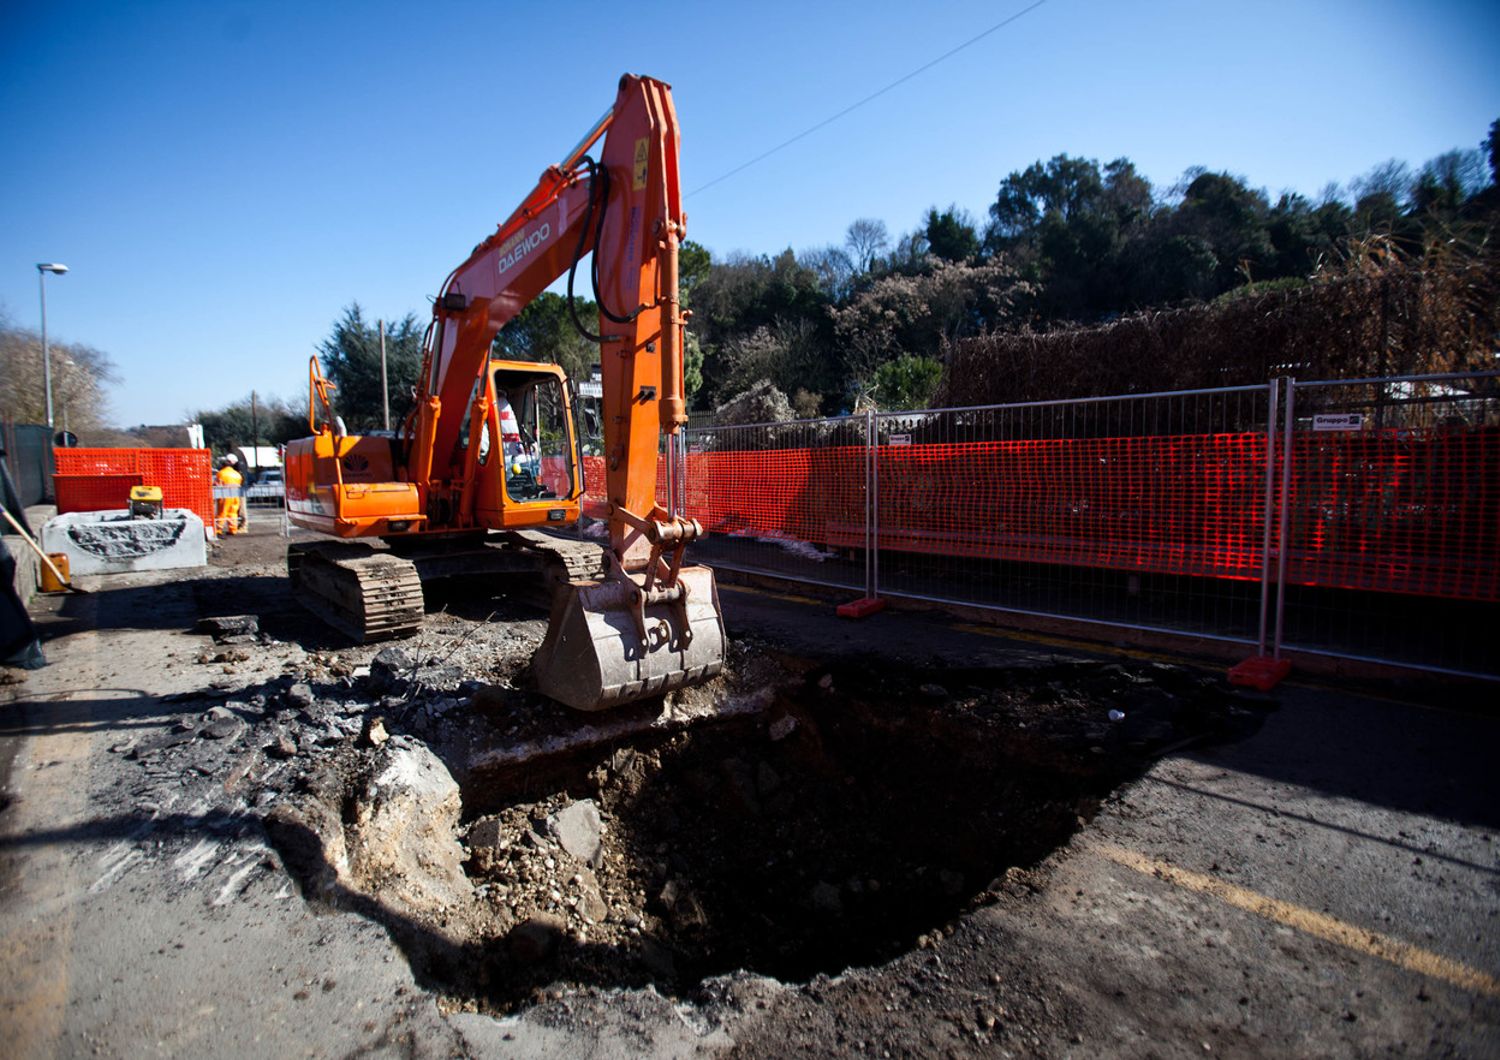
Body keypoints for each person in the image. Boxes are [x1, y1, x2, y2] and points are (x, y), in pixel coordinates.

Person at [215, 454, 245, 536]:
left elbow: (217, 484)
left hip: (224, 495)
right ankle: (233, 529)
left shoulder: (221, 473)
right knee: (233, 512)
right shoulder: (237, 474)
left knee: (222, 512)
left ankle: (218, 530)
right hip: (235, 496)